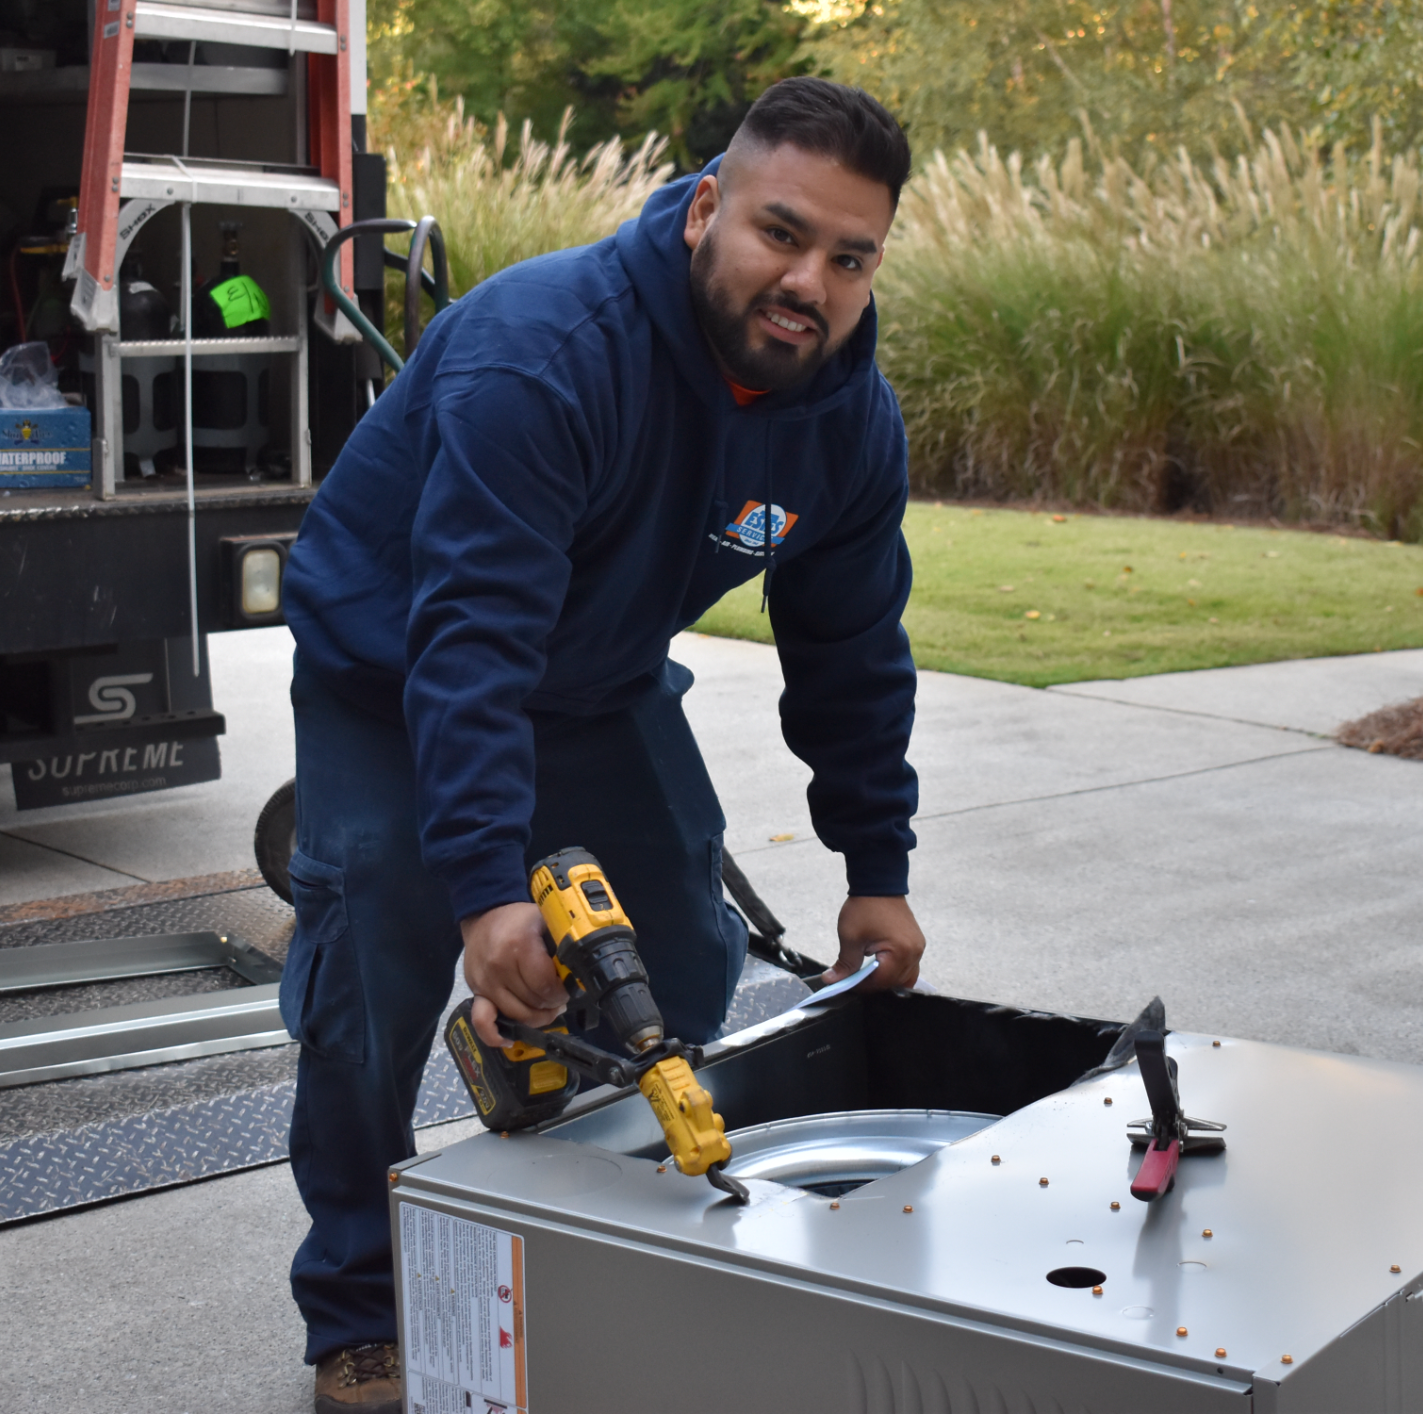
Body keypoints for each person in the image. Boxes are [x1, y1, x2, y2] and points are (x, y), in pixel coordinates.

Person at [279, 76, 924, 1414]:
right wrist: (483, 893)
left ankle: (573, 1213)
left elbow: (854, 651)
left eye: (848, 257)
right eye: (781, 233)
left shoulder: (847, 424)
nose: (810, 280)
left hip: (603, 677)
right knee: (370, 991)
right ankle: (356, 1297)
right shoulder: (548, 353)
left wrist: (877, 863)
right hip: (396, 676)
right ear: (705, 210)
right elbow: (471, 646)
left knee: (684, 955)